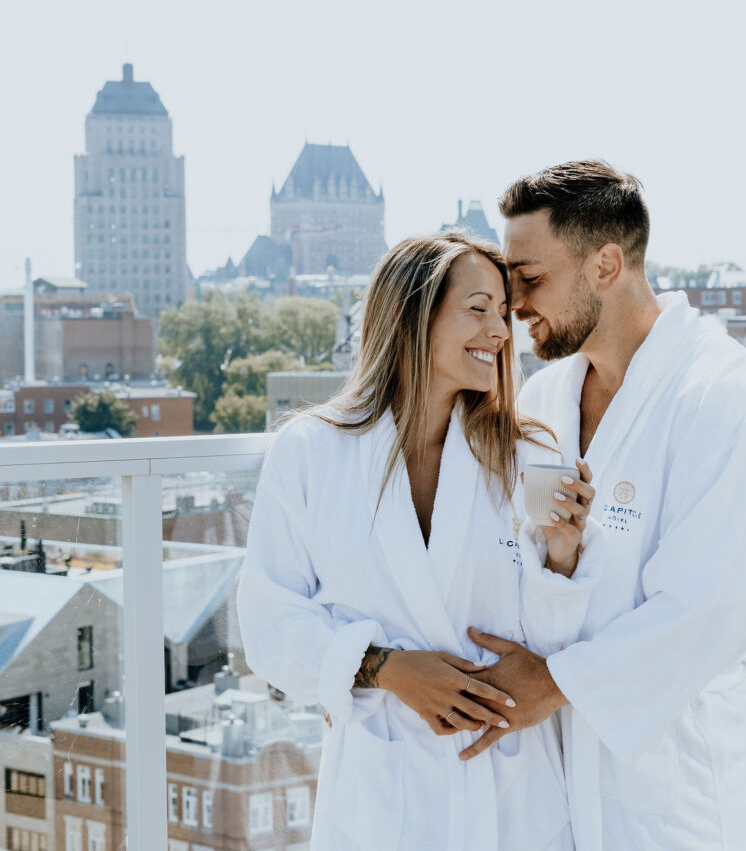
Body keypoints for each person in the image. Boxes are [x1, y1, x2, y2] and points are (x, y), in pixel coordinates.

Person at [460, 161, 746, 849]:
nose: (515, 303)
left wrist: (553, 684)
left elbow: (705, 614)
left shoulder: (728, 403)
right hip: (559, 771)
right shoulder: (543, 403)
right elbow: (529, 562)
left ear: (606, 264)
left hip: (676, 783)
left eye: (530, 279)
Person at [236, 231, 600, 850]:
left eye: (504, 314)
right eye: (479, 309)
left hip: (512, 785)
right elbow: (267, 622)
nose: (501, 332)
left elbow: (552, 638)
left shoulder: (532, 452)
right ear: (413, 316)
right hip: (384, 792)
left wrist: (562, 556)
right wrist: (385, 669)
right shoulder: (310, 453)